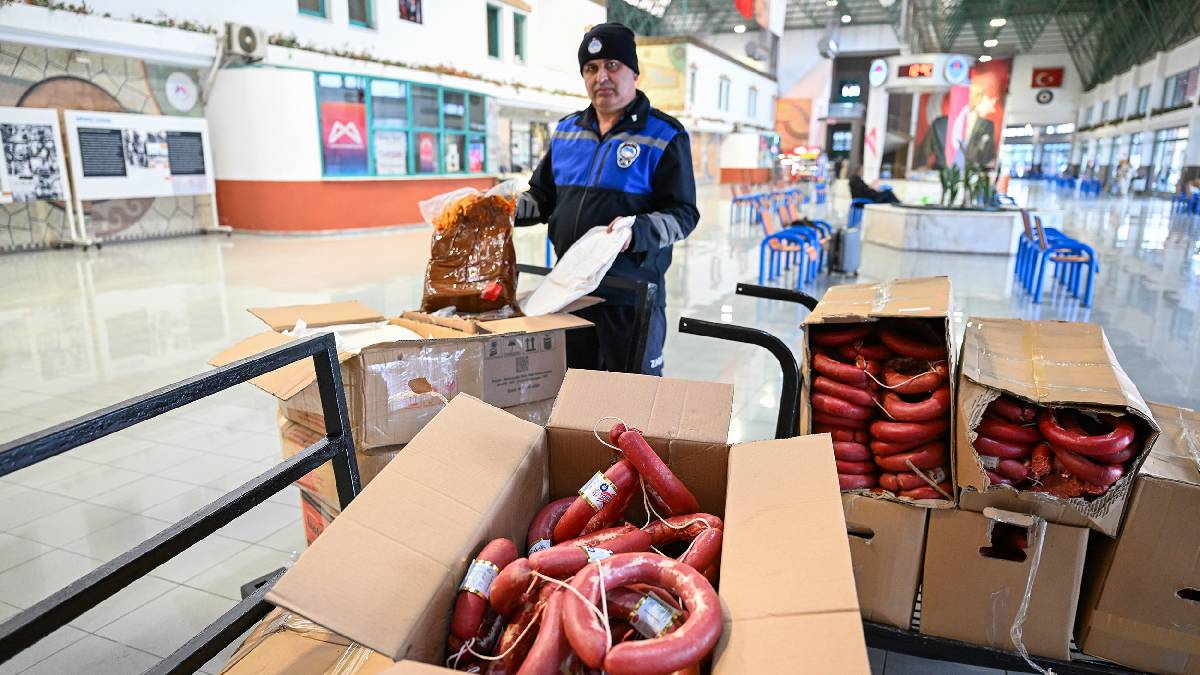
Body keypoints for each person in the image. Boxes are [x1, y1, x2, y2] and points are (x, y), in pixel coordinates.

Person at [514, 22, 699, 376]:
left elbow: (683, 215)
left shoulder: (664, 135)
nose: (602, 76)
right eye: (591, 68)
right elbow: (542, 198)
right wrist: (500, 210)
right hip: (569, 292)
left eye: (612, 65)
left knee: (635, 400)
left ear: (634, 73)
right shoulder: (568, 131)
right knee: (573, 396)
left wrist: (636, 231)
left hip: (629, 296)